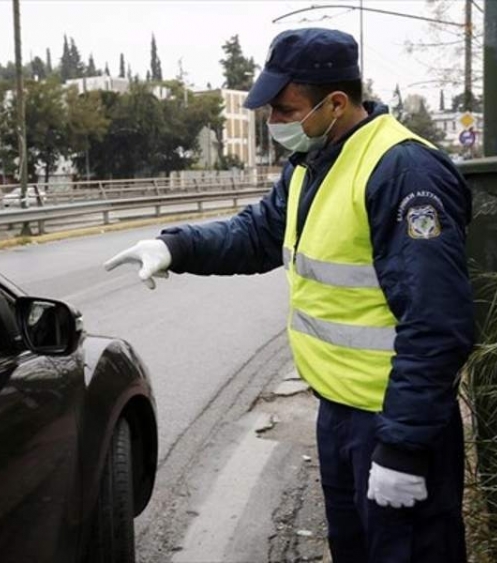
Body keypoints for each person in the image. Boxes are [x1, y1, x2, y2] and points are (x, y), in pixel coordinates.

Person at [104, 28, 474, 563]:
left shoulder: (404, 171)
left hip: (393, 421)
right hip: (341, 415)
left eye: (284, 109)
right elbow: (259, 233)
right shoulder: (313, 163)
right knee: (355, 549)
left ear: (336, 103)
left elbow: (438, 321)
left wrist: (403, 446)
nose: (274, 123)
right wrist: (176, 247)